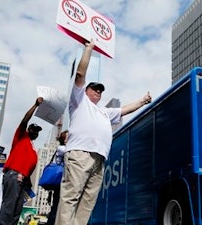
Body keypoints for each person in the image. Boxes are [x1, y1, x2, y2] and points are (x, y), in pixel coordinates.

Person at [55, 41, 152, 225]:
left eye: (101, 90)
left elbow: (124, 110)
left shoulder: (104, 112)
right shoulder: (79, 101)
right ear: (86, 90)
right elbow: (80, 74)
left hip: (99, 160)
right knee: (70, 198)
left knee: (87, 203)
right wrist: (89, 49)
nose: (98, 92)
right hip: (80, 154)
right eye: (95, 89)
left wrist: (143, 101)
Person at [0, 97, 44, 225]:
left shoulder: (33, 147)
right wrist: (35, 105)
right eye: (33, 129)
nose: (35, 132)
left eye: (37, 131)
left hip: (23, 180)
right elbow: (25, 120)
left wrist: (28, 181)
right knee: (9, 206)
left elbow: (28, 166)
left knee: (17, 210)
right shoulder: (21, 137)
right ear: (28, 130)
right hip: (13, 174)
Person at [46, 130, 69, 225]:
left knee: (57, 207)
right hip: (60, 182)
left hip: (60, 182)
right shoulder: (62, 149)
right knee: (57, 208)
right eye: (69, 137)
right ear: (64, 140)